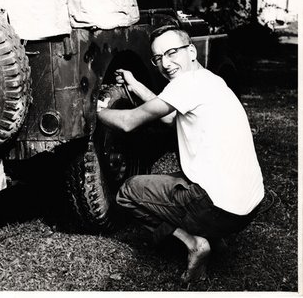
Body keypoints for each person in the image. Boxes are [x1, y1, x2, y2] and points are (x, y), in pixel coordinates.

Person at [97, 24, 265, 284]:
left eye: (172, 52)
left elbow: (129, 121)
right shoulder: (209, 80)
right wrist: (135, 84)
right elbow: (169, 117)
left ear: (192, 51)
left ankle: (194, 242)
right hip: (248, 208)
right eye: (158, 57)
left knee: (128, 193)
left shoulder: (186, 84)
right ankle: (216, 237)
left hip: (217, 209)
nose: (165, 63)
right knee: (188, 180)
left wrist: (93, 114)